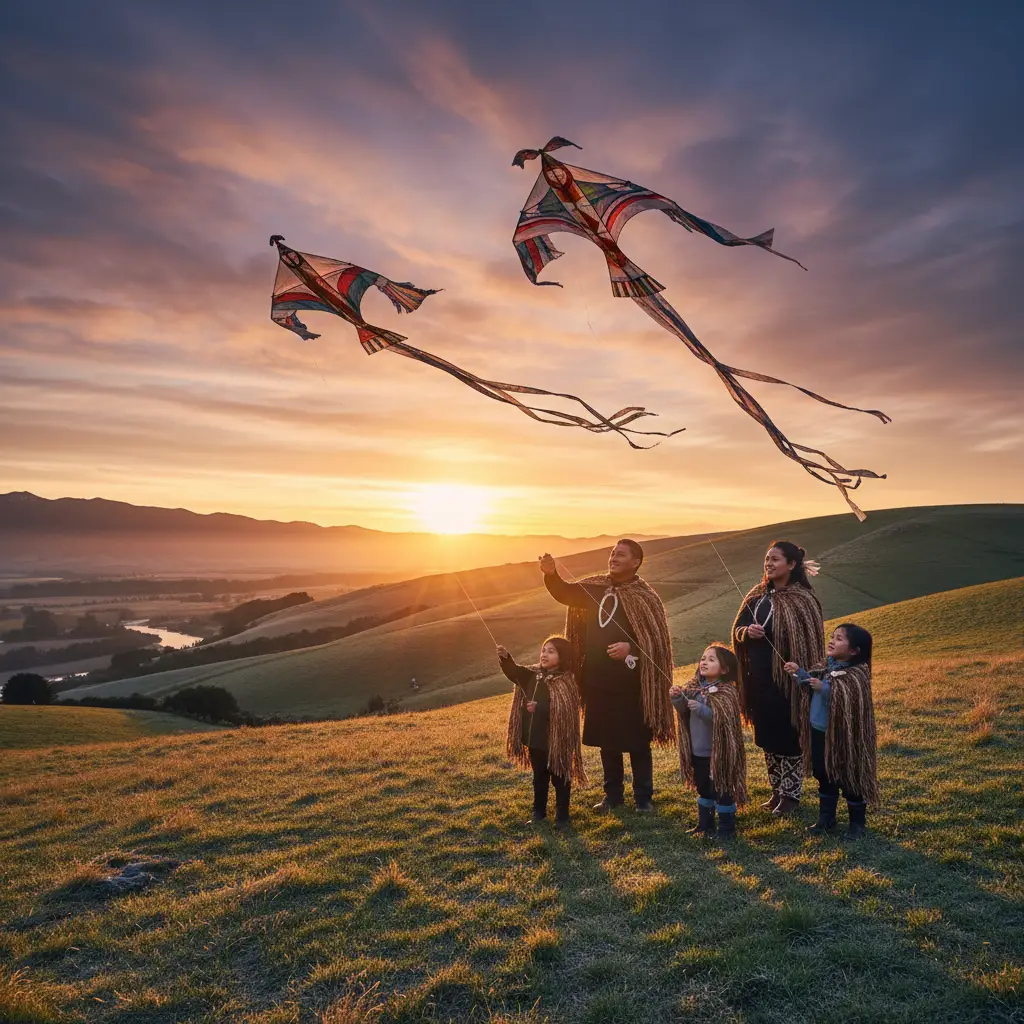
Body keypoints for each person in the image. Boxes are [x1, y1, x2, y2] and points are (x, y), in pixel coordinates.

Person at [539, 540, 674, 813]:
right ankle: (613, 796)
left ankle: (643, 798)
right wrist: (551, 574)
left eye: (620, 555)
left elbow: (657, 642)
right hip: (597, 680)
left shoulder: (644, 596)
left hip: (633, 683)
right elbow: (565, 593)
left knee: (637, 741)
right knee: (607, 742)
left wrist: (630, 648)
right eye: (612, 553)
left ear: (636, 562)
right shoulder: (596, 587)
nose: (613, 558)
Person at [733, 540, 824, 816]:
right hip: (758, 679)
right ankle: (776, 791)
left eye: (775, 559)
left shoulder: (803, 600)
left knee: (788, 737)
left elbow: (811, 642)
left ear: (792, 565)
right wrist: (747, 632)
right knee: (768, 736)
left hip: (788, 684)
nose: (769, 564)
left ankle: (791, 795)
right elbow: (737, 629)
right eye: (767, 559)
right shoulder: (757, 596)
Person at [785, 623, 880, 838]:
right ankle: (826, 819)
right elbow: (810, 683)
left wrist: (825, 688)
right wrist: (798, 672)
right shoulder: (826, 667)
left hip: (843, 737)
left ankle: (857, 824)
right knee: (823, 773)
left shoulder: (857, 674)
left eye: (839, 639)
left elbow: (848, 694)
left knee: (848, 775)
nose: (832, 640)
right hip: (819, 731)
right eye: (832, 636)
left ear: (855, 650)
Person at [498, 636, 587, 827]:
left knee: (560, 777)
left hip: (556, 741)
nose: (544, 654)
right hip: (535, 739)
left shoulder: (566, 682)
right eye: (543, 650)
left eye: (551, 651)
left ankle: (562, 817)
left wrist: (539, 708)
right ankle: (539, 813)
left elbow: (565, 712)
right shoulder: (533, 674)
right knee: (539, 777)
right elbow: (515, 673)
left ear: (562, 657)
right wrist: (506, 659)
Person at [669, 643, 748, 839]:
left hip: (719, 752)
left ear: (724, 669)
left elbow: (722, 718)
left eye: (711, 660)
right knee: (703, 786)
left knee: (721, 787)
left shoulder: (727, 692)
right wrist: (678, 699)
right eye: (703, 658)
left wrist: (702, 709)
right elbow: (683, 712)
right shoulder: (694, 688)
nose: (704, 662)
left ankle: (726, 828)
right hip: (698, 749)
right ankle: (705, 824)